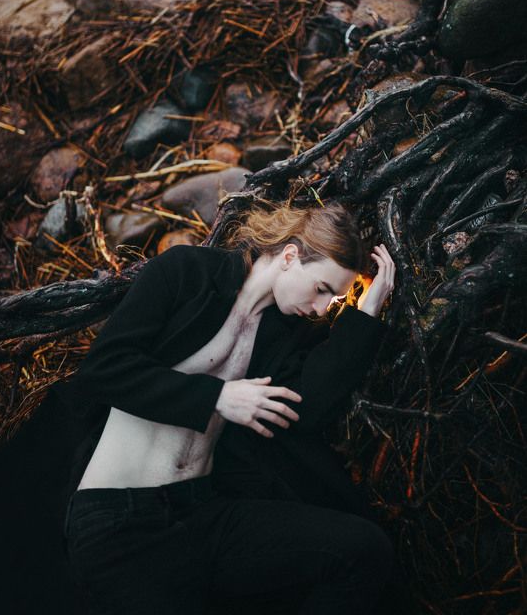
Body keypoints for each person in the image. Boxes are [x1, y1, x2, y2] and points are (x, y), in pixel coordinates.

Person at [62, 200, 396, 615]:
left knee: (362, 552)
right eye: (322, 290)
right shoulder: (186, 273)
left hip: (205, 513)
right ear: (290, 256)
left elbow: (303, 411)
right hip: (120, 523)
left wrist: (366, 314)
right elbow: (103, 371)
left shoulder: (280, 333)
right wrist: (218, 397)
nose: (319, 308)